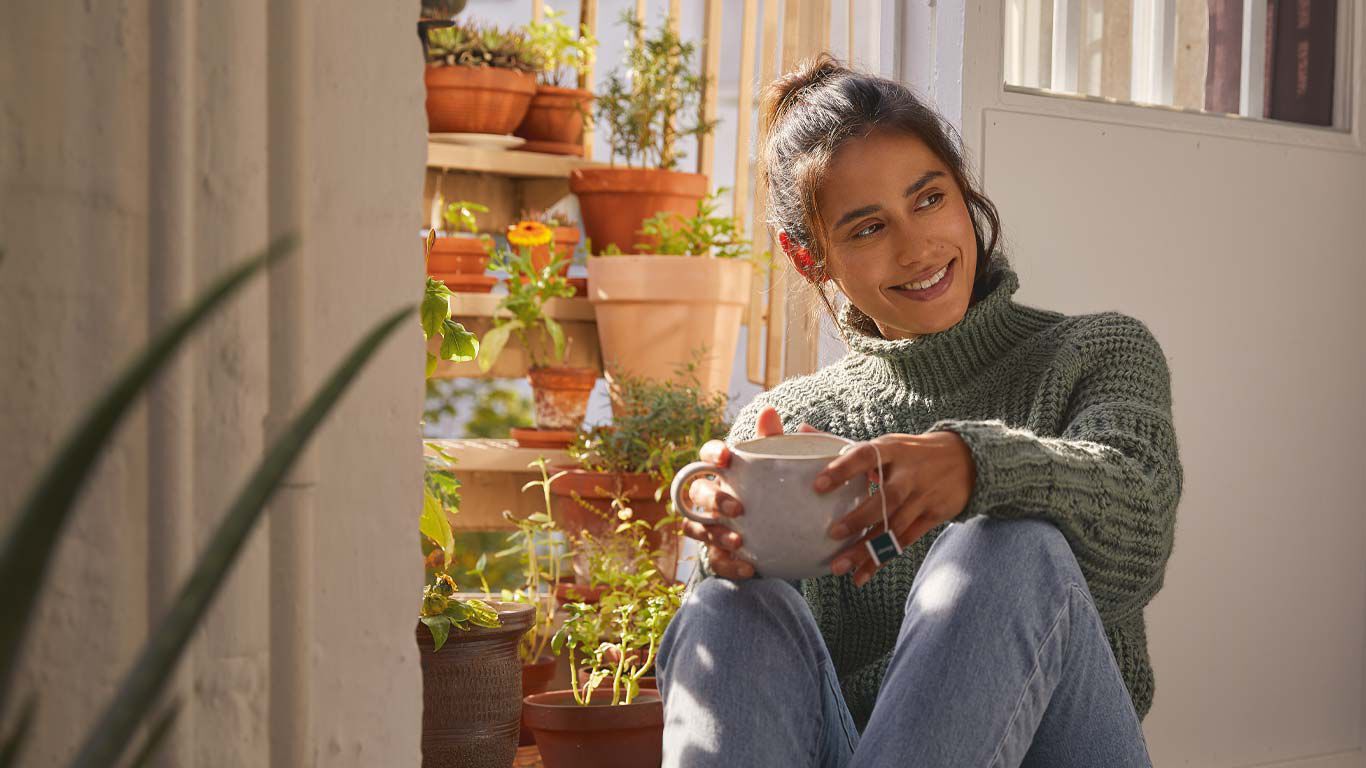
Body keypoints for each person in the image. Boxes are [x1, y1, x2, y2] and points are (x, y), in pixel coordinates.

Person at [655, 54, 1183, 768]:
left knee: (1008, 546)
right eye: (868, 229)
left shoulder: (1095, 352)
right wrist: (738, 559)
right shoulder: (787, 427)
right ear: (810, 258)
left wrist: (976, 466)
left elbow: (1142, 527)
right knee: (726, 609)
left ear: (963, 192)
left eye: (930, 199)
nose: (919, 247)